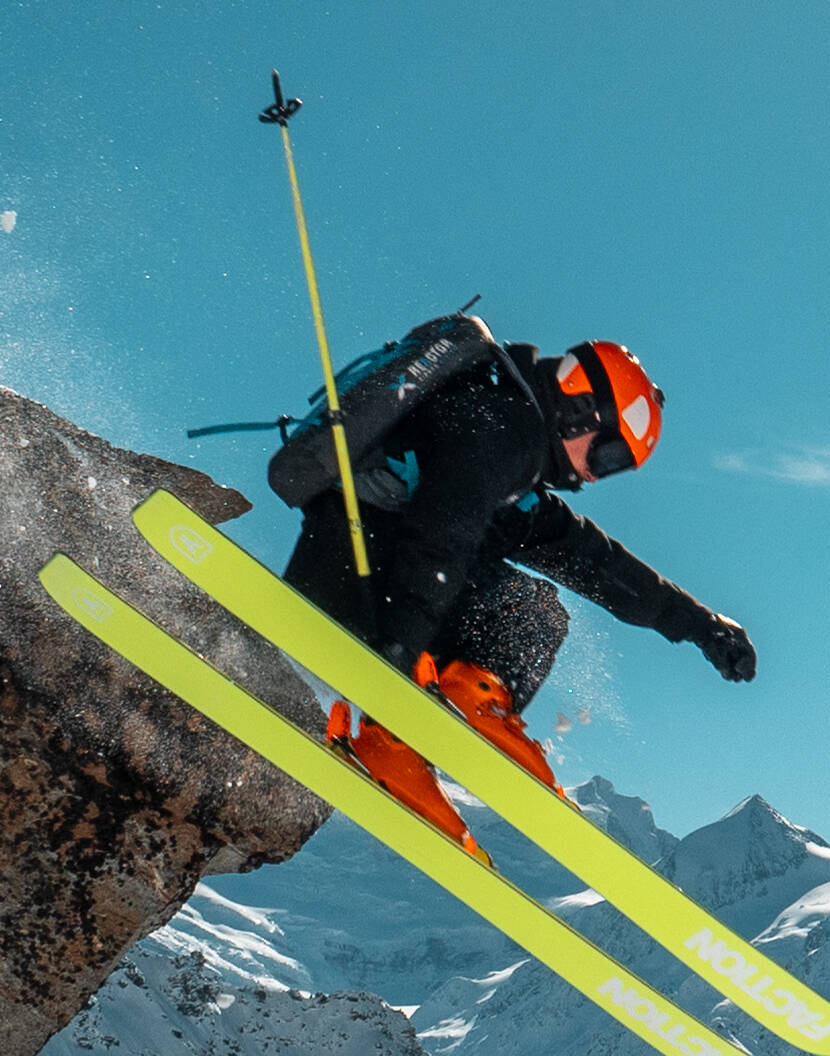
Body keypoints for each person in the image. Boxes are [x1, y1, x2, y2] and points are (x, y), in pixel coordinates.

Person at [260, 314, 754, 853]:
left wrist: (703, 627)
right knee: (529, 611)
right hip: (357, 565)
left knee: (543, 610)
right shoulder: (499, 427)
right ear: (579, 408)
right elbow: (440, 537)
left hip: (362, 573)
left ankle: (442, 721)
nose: (596, 474)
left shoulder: (514, 462)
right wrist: (394, 669)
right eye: (608, 455)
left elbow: (602, 566)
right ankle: (405, 735)